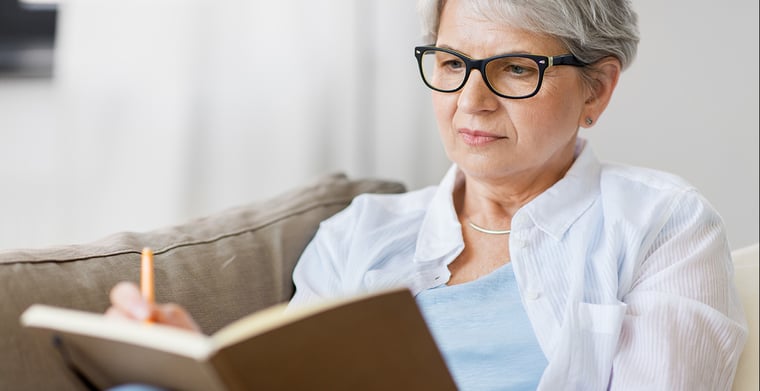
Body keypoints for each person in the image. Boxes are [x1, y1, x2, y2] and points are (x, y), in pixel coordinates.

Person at [107, 0, 748, 389]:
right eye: (450, 63)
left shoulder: (660, 222)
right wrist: (199, 365)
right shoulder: (361, 233)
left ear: (596, 90)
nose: (471, 100)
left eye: (516, 68)